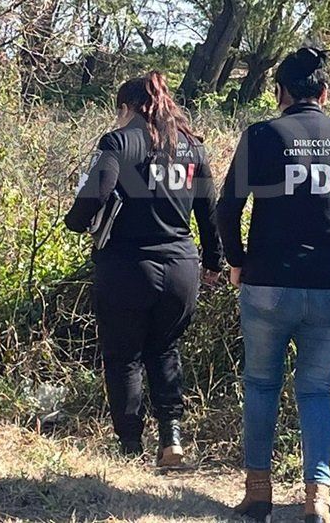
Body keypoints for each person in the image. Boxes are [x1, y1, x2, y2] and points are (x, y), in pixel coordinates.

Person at [217, 47, 330, 523]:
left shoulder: (262, 135)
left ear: (280, 93)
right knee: (315, 391)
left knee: (261, 385)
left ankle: (258, 495)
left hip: (269, 283)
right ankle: (318, 499)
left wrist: (237, 261)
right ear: (324, 94)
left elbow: (227, 207)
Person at [64, 72, 223, 467]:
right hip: (181, 267)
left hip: (127, 267)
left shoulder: (118, 142)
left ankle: (130, 447)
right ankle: (172, 440)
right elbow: (209, 213)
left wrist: (76, 221)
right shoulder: (192, 147)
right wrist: (214, 262)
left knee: (124, 356)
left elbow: (97, 191)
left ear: (127, 108)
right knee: (165, 349)